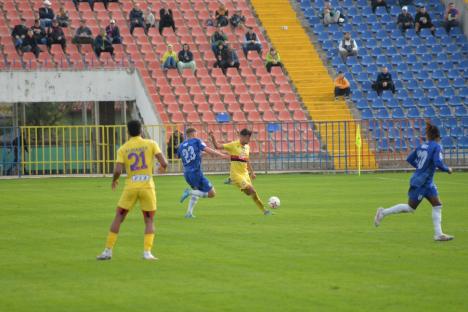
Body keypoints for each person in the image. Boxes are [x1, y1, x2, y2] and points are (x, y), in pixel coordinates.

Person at [96, 120, 168, 261]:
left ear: (128, 132)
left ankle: (108, 251)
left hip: (131, 187)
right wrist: (161, 168)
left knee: (119, 217)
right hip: (147, 187)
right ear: (141, 130)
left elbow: (117, 170)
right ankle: (147, 253)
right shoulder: (151, 144)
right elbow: (164, 162)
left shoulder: (123, 148)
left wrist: (114, 180)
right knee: (149, 220)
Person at [374, 122, 454, 242]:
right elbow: (438, 163)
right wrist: (448, 169)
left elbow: (410, 158)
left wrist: (420, 168)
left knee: (437, 205)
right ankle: (383, 212)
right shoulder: (436, 147)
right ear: (438, 137)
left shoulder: (422, 146)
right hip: (421, 183)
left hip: (427, 182)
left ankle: (439, 234)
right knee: (411, 208)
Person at [209, 129, 272, 216]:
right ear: (242, 137)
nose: (249, 140)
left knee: (252, 193)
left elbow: (247, 160)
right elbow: (217, 146)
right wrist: (212, 137)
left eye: (249, 138)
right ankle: (232, 180)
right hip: (236, 175)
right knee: (251, 190)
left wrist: (252, 172)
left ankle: (264, 210)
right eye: (247, 138)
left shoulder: (247, 147)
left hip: (245, 174)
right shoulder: (233, 145)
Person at [178, 128, 229, 218]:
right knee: (212, 193)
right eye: (196, 134)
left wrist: (201, 155)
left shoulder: (181, 146)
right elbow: (207, 149)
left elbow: (183, 156)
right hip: (196, 172)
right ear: (193, 134)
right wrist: (221, 155)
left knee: (196, 191)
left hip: (187, 173)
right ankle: (189, 192)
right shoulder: (197, 141)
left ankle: (189, 213)